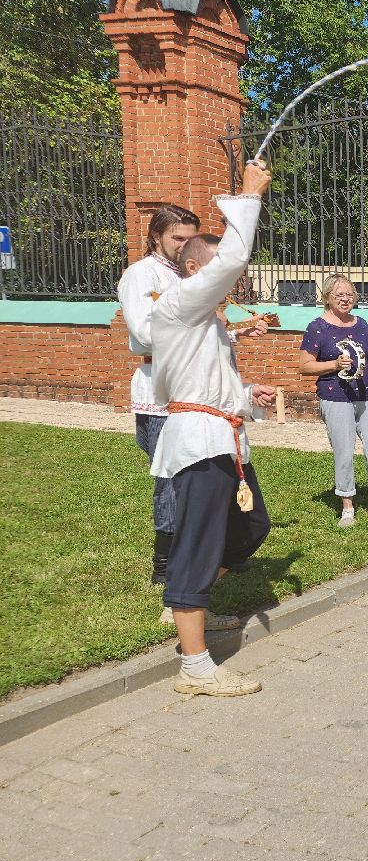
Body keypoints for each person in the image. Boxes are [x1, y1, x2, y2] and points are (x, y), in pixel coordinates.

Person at [149, 160, 276, 697]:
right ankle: (195, 664)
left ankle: (189, 598)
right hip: (199, 445)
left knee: (250, 529)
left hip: (220, 436)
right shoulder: (180, 304)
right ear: (197, 269)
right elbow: (230, 259)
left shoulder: (205, 323)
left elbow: (210, 387)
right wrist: (248, 196)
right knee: (198, 545)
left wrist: (248, 400)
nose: (235, 282)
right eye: (223, 275)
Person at [118, 204, 199, 588]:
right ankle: (164, 562)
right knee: (169, 475)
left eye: (190, 239)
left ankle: (204, 546)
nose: (185, 246)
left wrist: (234, 333)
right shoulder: (140, 275)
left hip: (193, 384)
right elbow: (144, 332)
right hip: (159, 385)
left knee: (195, 471)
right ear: (157, 236)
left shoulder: (187, 275)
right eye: (177, 238)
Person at [300, 274, 368, 527]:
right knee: (344, 452)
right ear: (327, 298)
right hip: (335, 396)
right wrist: (334, 364)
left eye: (349, 295)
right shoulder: (317, 327)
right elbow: (305, 366)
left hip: (366, 395)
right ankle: (347, 507)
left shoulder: (361, 324)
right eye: (339, 295)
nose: (345, 299)